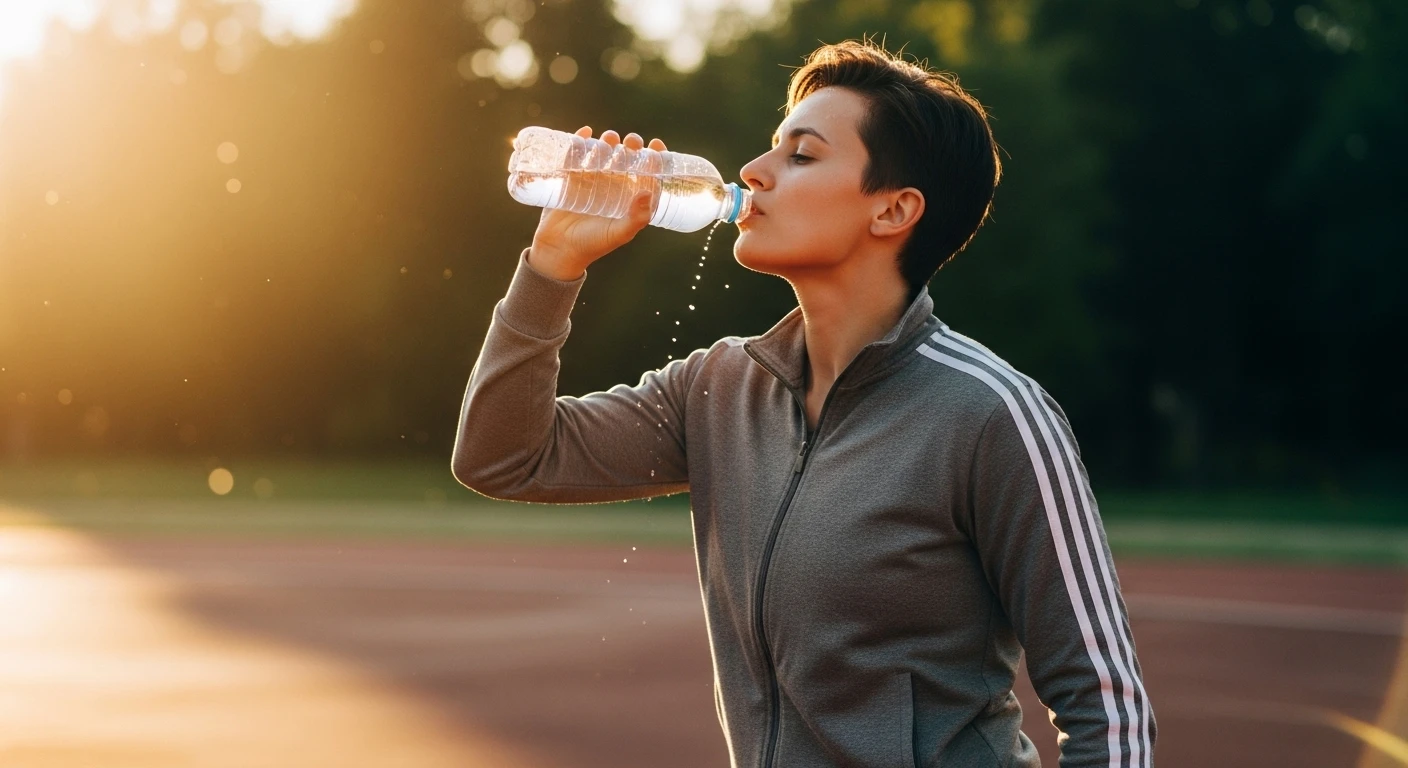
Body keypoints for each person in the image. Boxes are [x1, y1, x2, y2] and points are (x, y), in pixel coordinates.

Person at [453, 38, 1155, 768]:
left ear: (893, 211)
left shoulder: (990, 413)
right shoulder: (718, 388)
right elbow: (504, 458)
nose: (753, 172)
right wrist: (554, 266)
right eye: (771, 148)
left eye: (802, 155)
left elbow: (1108, 708)